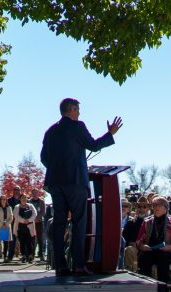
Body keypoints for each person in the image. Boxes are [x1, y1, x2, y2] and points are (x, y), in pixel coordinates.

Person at [40, 97, 123, 275]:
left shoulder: (50, 131)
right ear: (71, 110)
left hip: (55, 183)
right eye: (77, 110)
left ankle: (60, 266)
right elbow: (93, 145)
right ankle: (78, 265)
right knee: (79, 221)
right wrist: (110, 134)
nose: (79, 113)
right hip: (75, 182)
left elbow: (43, 158)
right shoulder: (78, 127)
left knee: (59, 222)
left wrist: (57, 169)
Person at [136, 196, 171, 290]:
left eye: (158, 205)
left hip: (168, 252)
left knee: (163, 257)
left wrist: (170, 247)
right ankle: (147, 288)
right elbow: (139, 240)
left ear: (166, 208)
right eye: (153, 205)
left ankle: (163, 288)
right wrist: (142, 246)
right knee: (144, 258)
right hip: (151, 250)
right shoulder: (147, 222)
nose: (155, 207)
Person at [14, 193, 38, 263]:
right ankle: (23, 256)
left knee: (29, 242)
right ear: (20, 199)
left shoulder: (30, 205)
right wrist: (23, 220)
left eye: (25, 197)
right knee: (22, 242)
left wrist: (29, 220)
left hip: (29, 226)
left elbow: (35, 214)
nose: (24, 199)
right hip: (20, 226)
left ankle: (30, 256)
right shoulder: (17, 206)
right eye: (22, 197)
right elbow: (16, 215)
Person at [0, 194, 14, 261]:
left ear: (6, 200)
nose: (3, 200)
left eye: (4, 199)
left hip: (7, 227)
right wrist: (2, 225)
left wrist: (6, 224)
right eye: (2, 199)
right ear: (0, 200)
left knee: (6, 243)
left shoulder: (9, 208)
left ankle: (5, 257)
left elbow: (11, 217)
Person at [29, 188, 47, 261]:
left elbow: (43, 212)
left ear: (38, 193)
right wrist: (33, 218)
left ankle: (41, 254)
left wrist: (37, 218)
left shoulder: (42, 201)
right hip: (31, 223)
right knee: (32, 239)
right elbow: (28, 211)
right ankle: (31, 254)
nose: (34, 194)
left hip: (39, 222)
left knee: (40, 239)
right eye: (33, 193)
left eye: (36, 192)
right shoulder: (29, 202)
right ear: (32, 193)